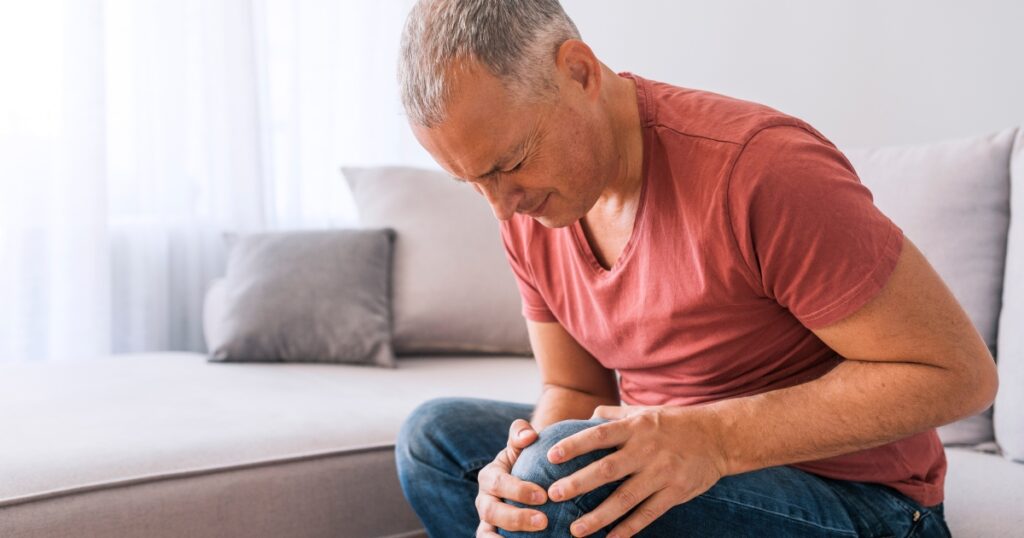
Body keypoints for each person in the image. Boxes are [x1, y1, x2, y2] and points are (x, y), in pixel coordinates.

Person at [392, 1, 996, 536]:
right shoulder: (530, 208)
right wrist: (521, 476)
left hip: (862, 506)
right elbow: (574, 389)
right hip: (676, 474)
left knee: (575, 487)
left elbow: (958, 374)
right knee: (435, 442)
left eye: (511, 162)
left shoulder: (759, 170)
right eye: (472, 182)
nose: (501, 206)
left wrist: (712, 438)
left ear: (577, 72)